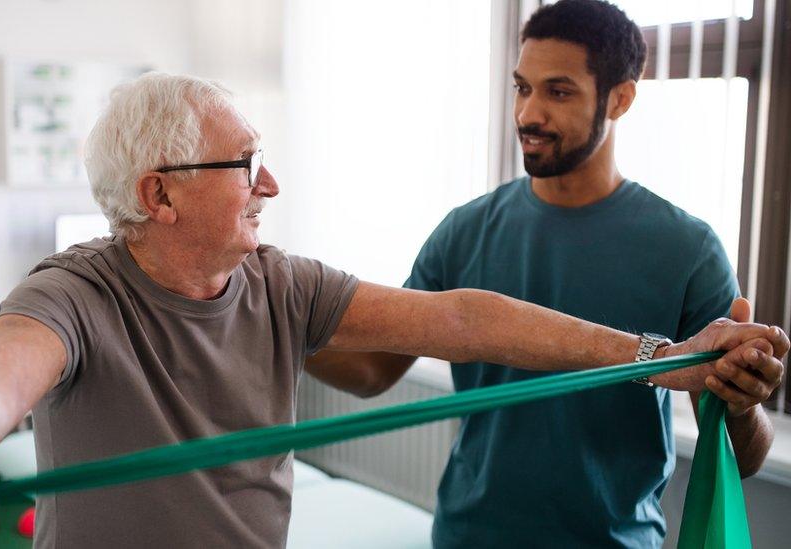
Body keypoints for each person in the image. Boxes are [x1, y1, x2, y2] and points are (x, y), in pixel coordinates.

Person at [0, 72, 787, 549]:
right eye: (244, 163)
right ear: (159, 196)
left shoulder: (281, 282)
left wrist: (657, 354)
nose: (270, 182)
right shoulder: (74, 293)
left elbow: (455, 319)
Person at [305, 1, 787, 547]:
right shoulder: (465, 230)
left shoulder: (688, 249)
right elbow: (373, 369)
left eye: (558, 92)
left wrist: (743, 404)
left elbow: (737, 455)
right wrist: (274, 326)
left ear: (621, 98)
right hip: (468, 537)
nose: (528, 114)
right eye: (522, 88)